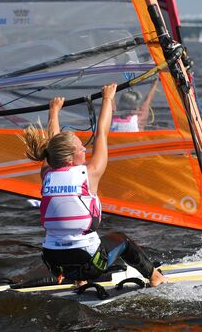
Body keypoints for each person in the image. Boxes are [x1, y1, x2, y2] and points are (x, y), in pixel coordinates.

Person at [21, 84, 167, 287]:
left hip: (54, 263)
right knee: (122, 240)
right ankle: (154, 276)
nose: (84, 148)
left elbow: (53, 144)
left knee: (74, 240)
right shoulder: (89, 174)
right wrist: (107, 98)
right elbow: (102, 135)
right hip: (90, 264)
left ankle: (78, 281)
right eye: (80, 147)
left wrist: (53, 111)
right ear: (71, 159)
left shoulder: (46, 173)